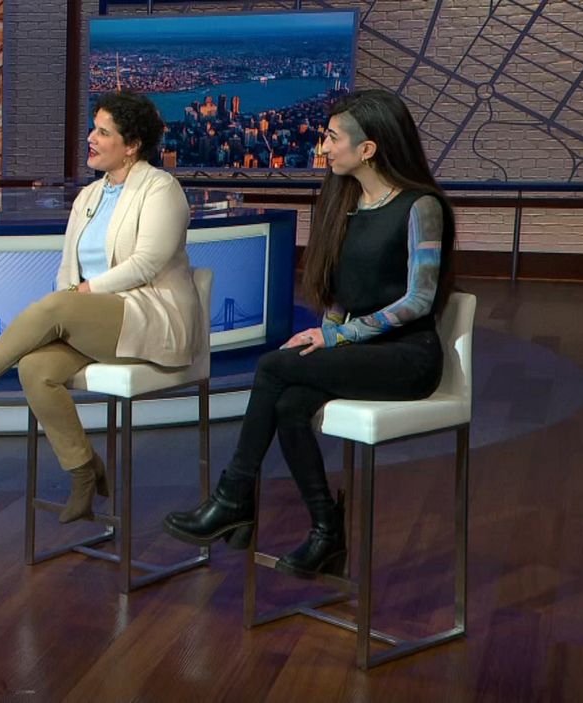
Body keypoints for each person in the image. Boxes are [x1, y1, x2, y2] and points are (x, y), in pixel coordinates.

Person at [162, 89, 456, 578]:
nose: (323, 147)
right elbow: (345, 293)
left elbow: (419, 300)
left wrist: (336, 338)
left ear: (368, 149)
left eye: (333, 138)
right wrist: (323, 332)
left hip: (408, 357)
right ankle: (326, 530)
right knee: (289, 404)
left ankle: (233, 498)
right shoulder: (347, 204)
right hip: (359, 349)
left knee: (272, 366)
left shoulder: (420, 206)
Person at [0, 91, 200, 523]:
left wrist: (81, 293)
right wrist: (72, 293)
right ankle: (83, 470)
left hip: (149, 316)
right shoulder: (90, 196)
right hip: (95, 319)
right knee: (34, 369)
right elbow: (68, 266)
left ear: (132, 144)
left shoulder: (160, 188)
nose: (91, 138)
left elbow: (147, 264)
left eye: (103, 132)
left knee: (58, 307)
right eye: (93, 129)